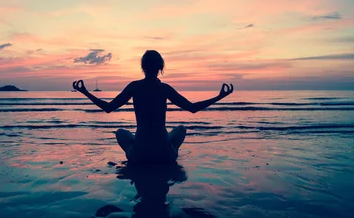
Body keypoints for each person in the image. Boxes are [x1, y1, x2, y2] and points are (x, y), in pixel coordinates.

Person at [72, 50, 234, 163]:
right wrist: (219, 97)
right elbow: (192, 108)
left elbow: (108, 108)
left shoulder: (134, 86)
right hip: (165, 155)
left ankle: (140, 147)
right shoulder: (164, 89)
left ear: (143, 67)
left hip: (138, 155)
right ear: (161, 67)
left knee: (121, 132)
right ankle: (166, 148)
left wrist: (85, 92)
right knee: (181, 129)